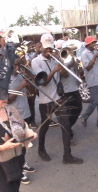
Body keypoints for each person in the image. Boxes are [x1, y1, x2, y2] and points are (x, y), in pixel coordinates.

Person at [31, 33, 83, 164]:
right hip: (46, 100)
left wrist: (60, 62)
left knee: (65, 126)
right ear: (41, 46)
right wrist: (54, 70)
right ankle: (41, 149)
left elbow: (64, 75)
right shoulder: (36, 62)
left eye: (50, 47)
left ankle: (67, 155)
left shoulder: (55, 59)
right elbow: (43, 82)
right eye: (46, 48)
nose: (49, 50)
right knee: (44, 127)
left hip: (59, 99)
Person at [8, 57, 36, 184]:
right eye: (15, 65)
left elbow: (31, 92)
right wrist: (20, 86)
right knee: (17, 146)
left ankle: (23, 163)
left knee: (24, 144)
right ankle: (18, 172)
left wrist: (30, 83)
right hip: (14, 116)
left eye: (19, 65)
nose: (18, 68)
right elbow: (7, 100)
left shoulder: (21, 76)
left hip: (25, 113)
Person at [79, 36, 98, 128]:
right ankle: (84, 116)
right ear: (87, 44)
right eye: (92, 43)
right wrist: (95, 57)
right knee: (94, 102)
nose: (94, 44)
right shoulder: (84, 54)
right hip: (93, 81)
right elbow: (87, 67)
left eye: (95, 42)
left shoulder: (96, 52)